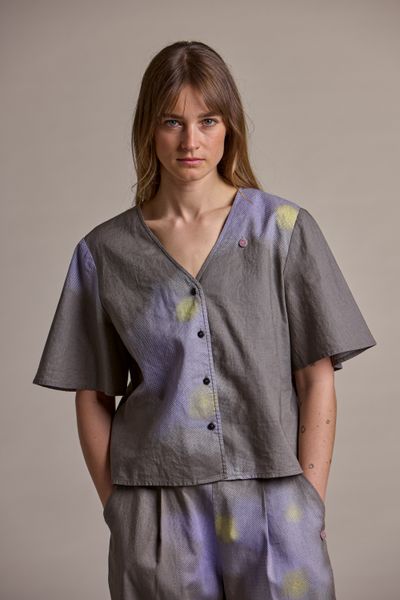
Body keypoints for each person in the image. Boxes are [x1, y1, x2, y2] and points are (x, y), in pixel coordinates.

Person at [32, 40, 377, 600]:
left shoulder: (282, 232)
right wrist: (118, 506)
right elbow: (92, 393)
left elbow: (316, 377)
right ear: (149, 129)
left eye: (207, 121)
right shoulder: (105, 252)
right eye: (172, 121)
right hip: (155, 506)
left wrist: (309, 497)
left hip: (275, 499)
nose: (190, 141)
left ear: (228, 127)